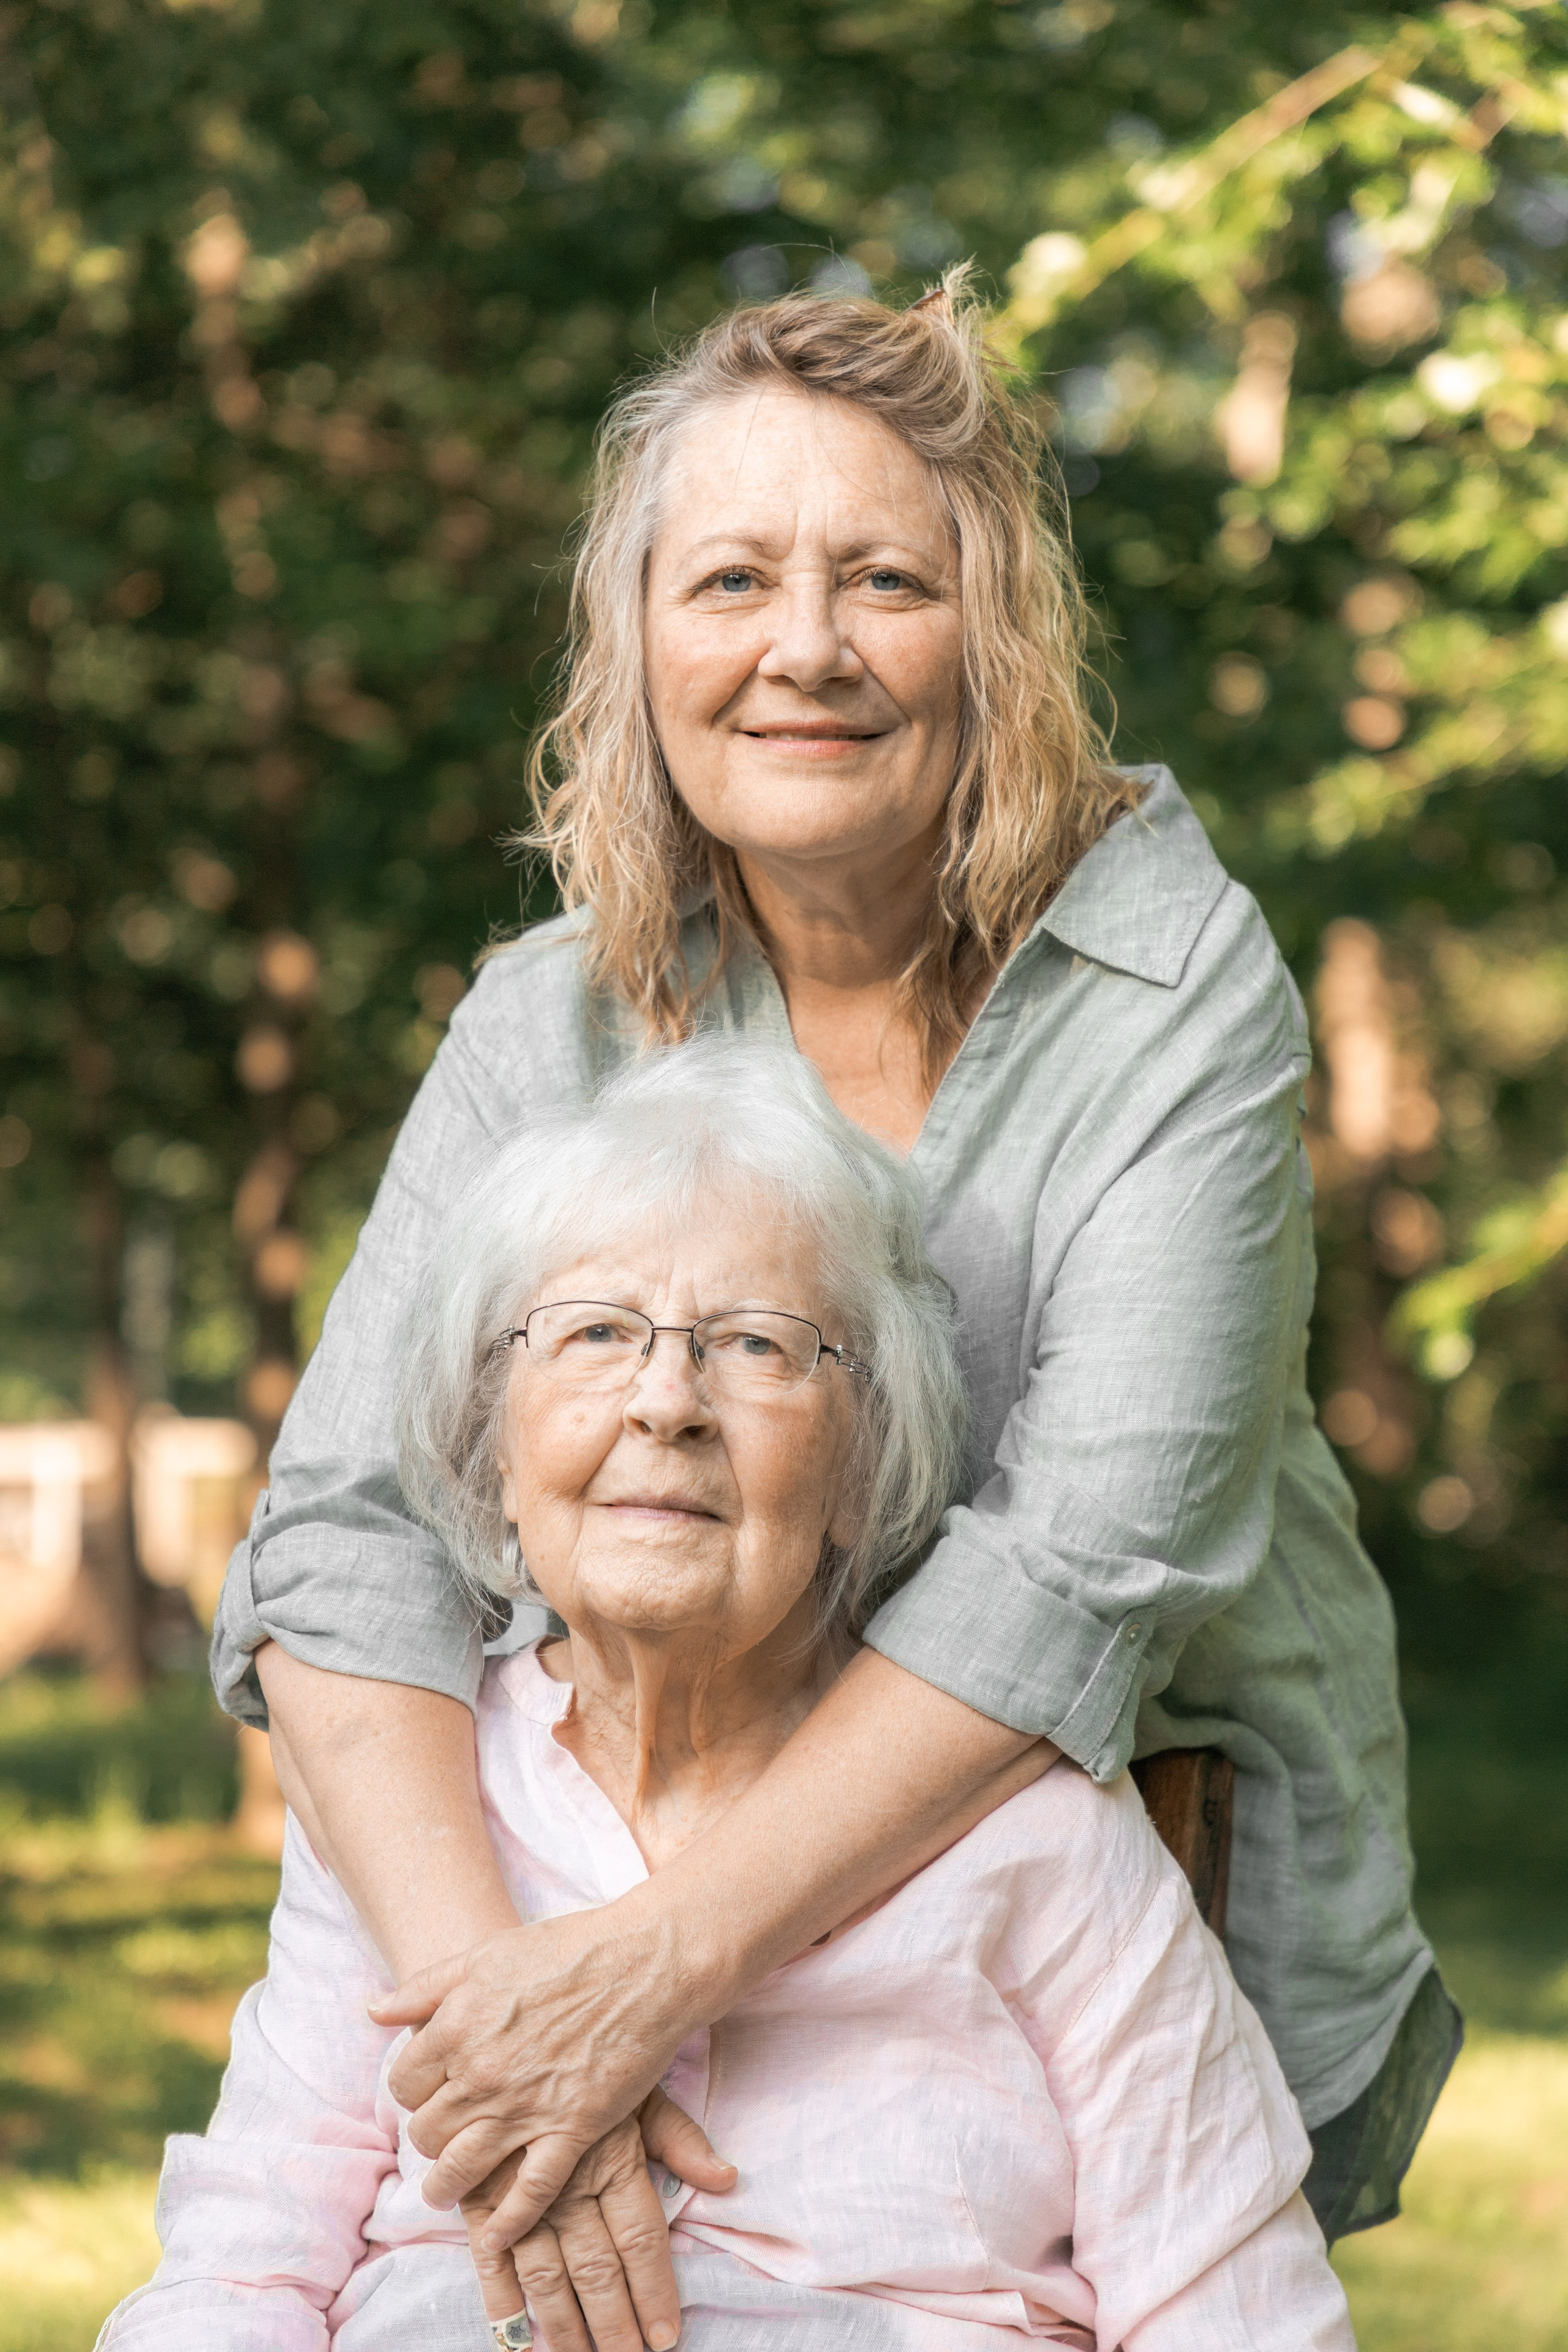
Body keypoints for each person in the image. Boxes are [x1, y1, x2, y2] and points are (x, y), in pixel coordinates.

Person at [213, 271, 1457, 2350]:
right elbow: (340, 1537)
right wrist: (514, 2030)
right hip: (595, 1879)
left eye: (884, 578)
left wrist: (650, 1968)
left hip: (1081, 1925)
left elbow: (1085, 1563)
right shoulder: (552, 1012)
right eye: (728, 581)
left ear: (998, 633)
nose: (803, 648)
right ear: (634, 643)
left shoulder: (1175, 975)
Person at [110, 1046, 1355, 2352]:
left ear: (863, 1465)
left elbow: (1239, 2316)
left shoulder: (1041, 1843)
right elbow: (239, 2273)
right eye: (594, 1332)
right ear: (494, 1437)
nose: (664, 1402)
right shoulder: (415, 1807)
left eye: (757, 1345)